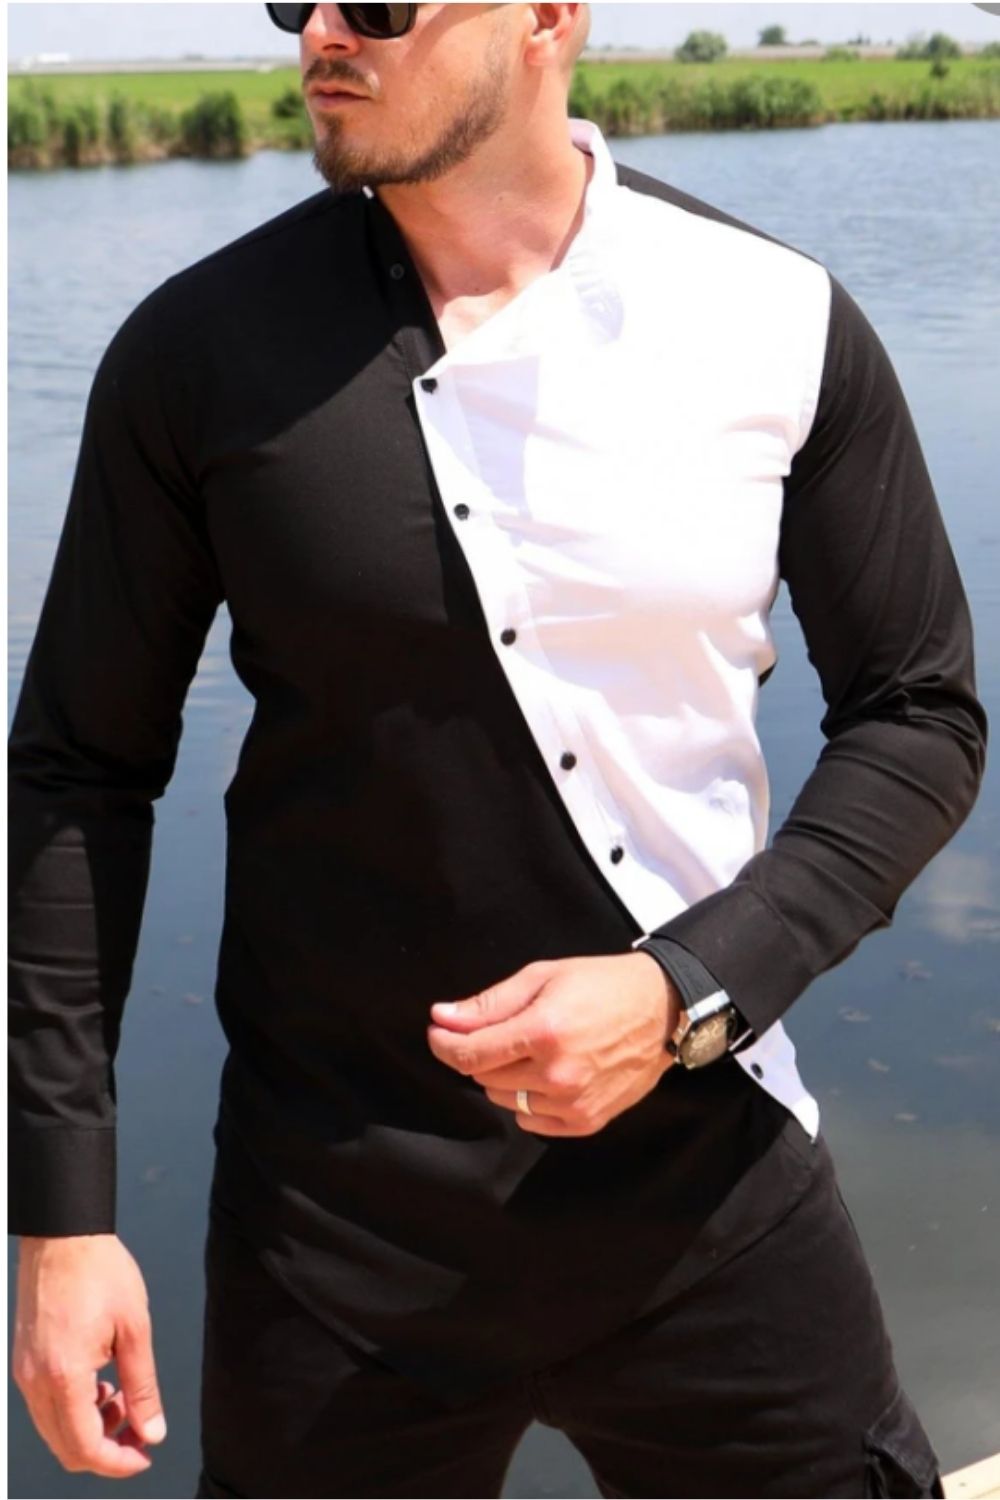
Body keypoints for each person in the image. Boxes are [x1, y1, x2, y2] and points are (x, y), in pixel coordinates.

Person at [8, 4, 987, 1497]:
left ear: (548, 17)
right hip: (333, 1244)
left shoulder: (772, 317)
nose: (322, 31)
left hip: (713, 1196)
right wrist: (62, 1216)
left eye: (378, 0)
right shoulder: (195, 355)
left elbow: (920, 715)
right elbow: (79, 775)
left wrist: (687, 987)